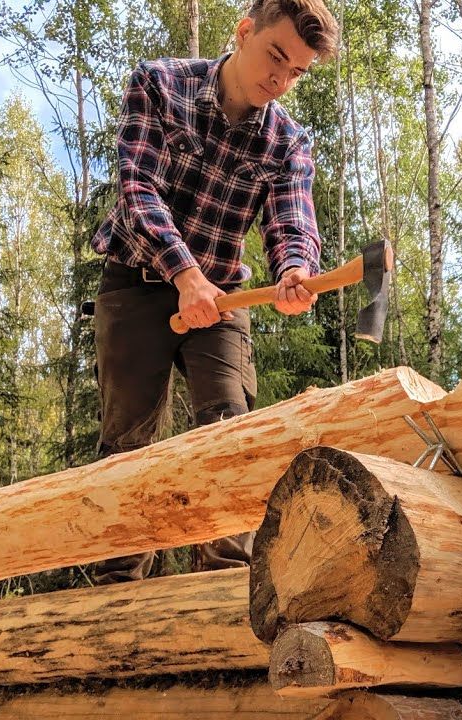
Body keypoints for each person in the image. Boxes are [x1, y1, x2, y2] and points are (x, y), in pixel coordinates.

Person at [87, 0, 339, 583]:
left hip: (222, 299)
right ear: (244, 31)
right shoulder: (159, 85)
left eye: (296, 72)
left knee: (233, 435)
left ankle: (226, 588)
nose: (280, 79)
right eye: (276, 55)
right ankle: (116, 593)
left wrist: (296, 269)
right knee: (128, 443)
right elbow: (137, 191)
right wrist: (184, 274)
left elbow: (291, 221)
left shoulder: (288, 143)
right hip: (137, 280)